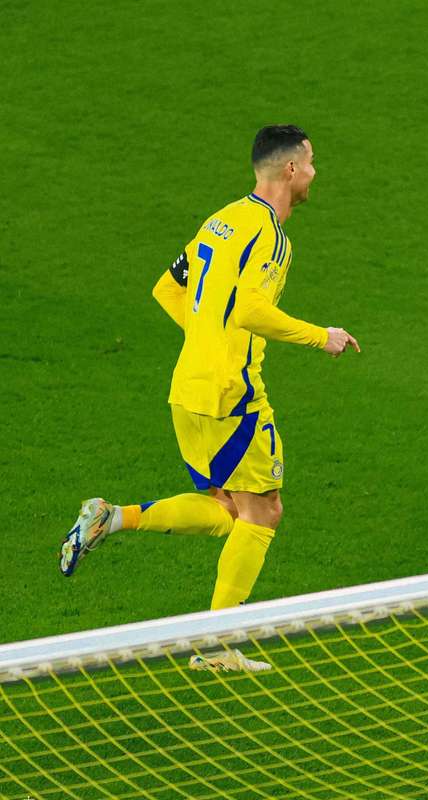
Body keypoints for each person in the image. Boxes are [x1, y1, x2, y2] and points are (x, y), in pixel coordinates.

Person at [60, 125, 359, 668]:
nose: (316, 173)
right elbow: (249, 310)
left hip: (187, 387)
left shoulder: (220, 221)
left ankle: (112, 517)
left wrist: (205, 338)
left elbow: (167, 287)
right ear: (291, 169)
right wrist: (323, 336)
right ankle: (219, 645)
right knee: (263, 512)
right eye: (312, 162)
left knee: (229, 509)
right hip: (230, 394)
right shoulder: (271, 236)